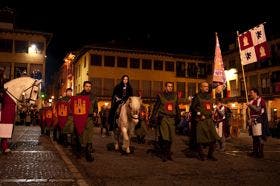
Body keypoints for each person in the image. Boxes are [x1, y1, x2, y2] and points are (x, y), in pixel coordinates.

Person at [150, 82, 180, 162]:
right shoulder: (160, 95)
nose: (170, 88)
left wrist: (179, 116)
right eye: (169, 86)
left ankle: (168, 153)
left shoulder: (175, 96)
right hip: (163, 118)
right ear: (165, 87)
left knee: (171, 138)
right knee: (165, 137)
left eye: (171, 86)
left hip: (172, 118)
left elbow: (176, 107)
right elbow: (156, 107)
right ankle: (164, 154)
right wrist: (153, 116)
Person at [189, 82, 220, 161]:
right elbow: (193, 108)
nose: (207, 87)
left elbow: (210, 106)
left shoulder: (209, 96)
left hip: (209, 120)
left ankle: (210, 155)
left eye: (207, 86)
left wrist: (212, 111)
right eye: (205, 86)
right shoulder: (197, 96)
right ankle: (201, 155)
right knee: (200, 139)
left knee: (214, 138)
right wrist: (199, 115)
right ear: (201, 88)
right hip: (201, 120)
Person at [75, 81, 98, 162]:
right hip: (81, 118)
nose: (88, 88)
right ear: (84, 87)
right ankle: (80, 151)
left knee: (89, 136)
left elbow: (96, 107)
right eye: (87, 86)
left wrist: (95, 112)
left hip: (89, 118)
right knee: (81, 135)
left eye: (89, 86)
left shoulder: (93, 97)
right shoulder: (78, 96)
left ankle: (88, 153)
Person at [246, 88, 270, 158]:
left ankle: (260, 153)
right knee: (254, 137)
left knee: (259, 137)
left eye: (251, 92)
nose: (250, 94)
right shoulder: (252, 101)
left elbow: (258, 110)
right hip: (253, 121)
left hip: (259, 121)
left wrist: (249, 105)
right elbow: (250, 112)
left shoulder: (260, 100)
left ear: (256, 93)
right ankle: (255, 152)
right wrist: (249, 118)